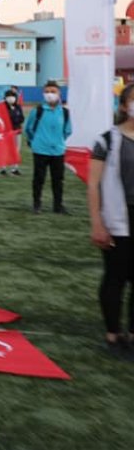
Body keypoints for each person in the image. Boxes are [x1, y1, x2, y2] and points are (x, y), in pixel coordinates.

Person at [86, 82, 134, 357]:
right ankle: (113, 335)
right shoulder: (108, 140)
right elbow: (94, 184)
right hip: (118, 218)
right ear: (125, 106)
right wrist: (97, 222)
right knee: (115, 277)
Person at [24, 80, 72, 214]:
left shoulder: (65, 112)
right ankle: (37, 204)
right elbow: (29, 129)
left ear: (59, 94)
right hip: (40, 150)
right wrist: (36, 141)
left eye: (53, 91)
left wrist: (58, 141)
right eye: (47, 92)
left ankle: (58, 206)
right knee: (39, 179)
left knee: (58, 180)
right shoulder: (37, 111)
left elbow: (68, 130)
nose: (50, 94)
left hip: (58, 151)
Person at [1, 88, 25, 176]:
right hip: (7, 132)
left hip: (17, 131)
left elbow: (22, 118)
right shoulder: (3, 108)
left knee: (16, 150)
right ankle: (3, 168)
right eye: (8, 96)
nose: (11, 98)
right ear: (5, 98)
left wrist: (16, 120)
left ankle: (14, 168)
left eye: (12, 96)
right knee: (6, 150)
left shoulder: (18, 107)